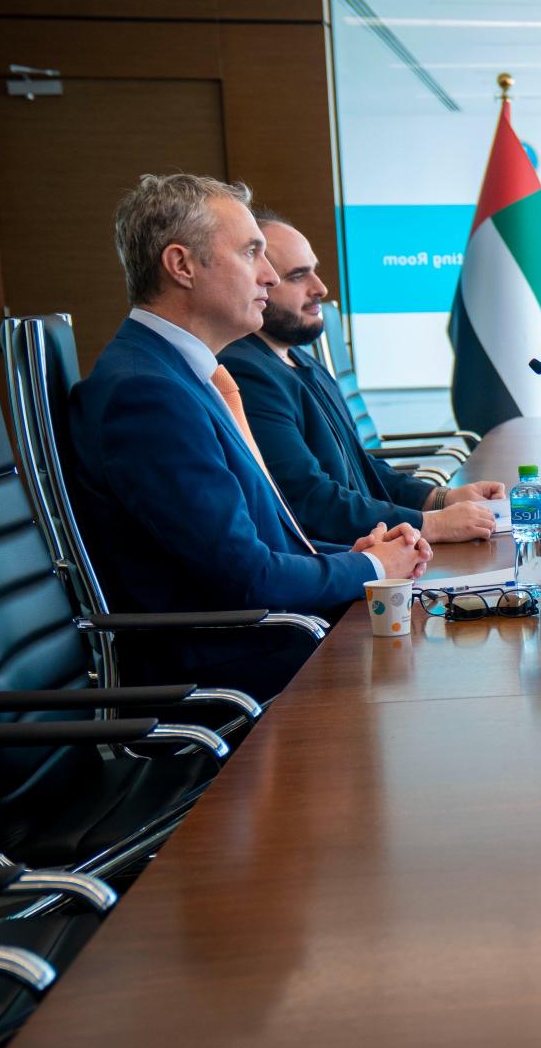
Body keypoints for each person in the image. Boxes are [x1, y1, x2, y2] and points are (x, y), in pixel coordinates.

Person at [69, 173, 429, 697]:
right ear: (182, 266)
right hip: (235, 673)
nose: (268, 275)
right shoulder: (147, 394)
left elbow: (253, 543)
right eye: (250, 253)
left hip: (269, 641)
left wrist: (357, 553)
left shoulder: (181, 374)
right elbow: (247, 578)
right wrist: (371, 565)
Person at [219, 210, 504, 545]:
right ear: (259, 282)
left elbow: (358, 466)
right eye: (297, 277)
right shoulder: (246, 373)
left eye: (314, 271)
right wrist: (433, 525)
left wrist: (441, 498)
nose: (320, 288)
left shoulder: (299, 358)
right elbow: (310, 501)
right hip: (342, 561)